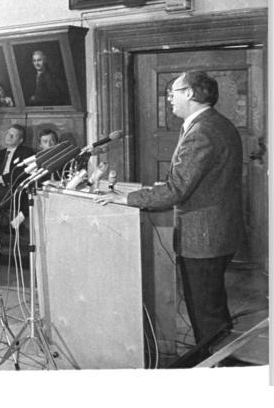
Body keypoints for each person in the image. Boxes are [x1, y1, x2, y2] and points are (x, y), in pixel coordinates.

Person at [96, 71, 243, 358]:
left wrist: (125, 197)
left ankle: (216, 369)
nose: (169, 98)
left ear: (190, 93)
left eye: (173, 92)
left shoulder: (202, 131)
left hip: (204, 237)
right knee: (212, 306)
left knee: (206, 311)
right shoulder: (217, 124)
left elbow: (177, 190)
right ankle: (219, 361)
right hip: (217, 232)